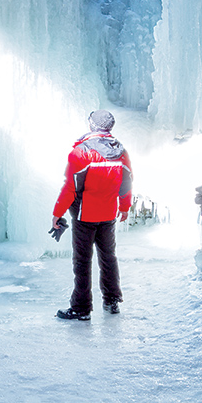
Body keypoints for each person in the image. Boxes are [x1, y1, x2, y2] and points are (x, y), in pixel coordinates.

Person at [52, 109, 132, 320]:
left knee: (82, 261)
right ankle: (112, 301)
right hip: (108, 214)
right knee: (108, 257)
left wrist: (57, 213)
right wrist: (124, 207)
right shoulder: (122, 151)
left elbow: (70, 187)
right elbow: (126, 182)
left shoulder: (81, 152)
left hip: (84, 215)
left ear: (92, 126)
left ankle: (81, 308)